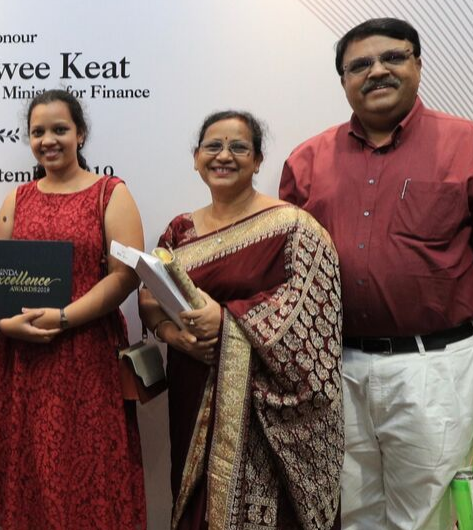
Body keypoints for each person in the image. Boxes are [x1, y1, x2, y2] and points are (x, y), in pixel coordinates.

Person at [280, 18, 473, 530]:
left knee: (428, 518)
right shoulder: (308, 160)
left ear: (418, 65)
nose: (376, 71)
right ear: (343, 81)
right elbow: (288, 276)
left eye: (393, 58)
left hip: (434, 370)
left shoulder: (468, 144)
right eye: (359, 65)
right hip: (338, 371)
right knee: (350, 514)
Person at [138, 111, 343, 530]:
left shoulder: (294, 227)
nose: (223, 156)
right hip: (192, 389)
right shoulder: (180, 230)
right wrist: (171, 335)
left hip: (263, 404)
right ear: (196, 158)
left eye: (238, 147)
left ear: (258, 160)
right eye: (213, 146)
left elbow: (314, 308)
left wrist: (228, 322)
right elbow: (149, 293)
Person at [0, 89, 147, 529]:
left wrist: (66, 317)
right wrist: (6, 322)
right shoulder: (18, 198)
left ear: (80, 134)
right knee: (33, 476)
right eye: (38, 132)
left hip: (87, 354)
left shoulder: (110, 193)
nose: (48, 140)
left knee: (88, 472)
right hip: (25, 358)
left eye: (59, 129)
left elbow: (125, 275)